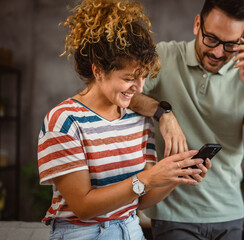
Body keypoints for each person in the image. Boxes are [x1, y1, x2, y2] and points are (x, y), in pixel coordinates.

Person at [37, 0, 210, 239]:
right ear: (98, 71)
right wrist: (148, 177)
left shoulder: (140, 120)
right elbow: (84, 207)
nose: (139, 88)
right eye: (129, 78)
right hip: (82, 233)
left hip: (131, 229)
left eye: (143, 78)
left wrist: (174, 176)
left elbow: (141, 201)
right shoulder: (64, 121)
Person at [129, 0, 244, 239]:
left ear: (243, 38)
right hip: (173, 214)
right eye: (211, 39)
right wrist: (162, 112)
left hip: (229, 213)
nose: (218, 52)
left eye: (230, 44)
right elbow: (125, 94)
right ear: (197, 24)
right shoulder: (165, 55)